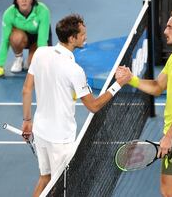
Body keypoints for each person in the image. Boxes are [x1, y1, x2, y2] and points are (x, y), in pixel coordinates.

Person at [21, 14, 130, 197]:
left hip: (40, 131)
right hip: (60, 140)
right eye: (82, 34)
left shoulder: (40, 53)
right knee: (61, 189)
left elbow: (26, 90)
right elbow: (93, 106)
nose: (85, 37)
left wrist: (27, 120)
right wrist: (118, 84)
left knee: (45, 179)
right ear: (72, 38)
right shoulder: (74, 70)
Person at [117, 9, 172, 197]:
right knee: (167, 189)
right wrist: (130, 79)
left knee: (169, 190)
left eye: (170, 27)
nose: (165, 31)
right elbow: (157, 87)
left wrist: (169, 136)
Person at [0, 0, 52, 77]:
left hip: (38, 39)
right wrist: (0, 65)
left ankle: (30, 60)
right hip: (22, 37)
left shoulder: (43, 10)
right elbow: (5, 40)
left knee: (34, 67)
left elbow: (42, 41)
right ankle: (19, 58)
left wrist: (42, 61)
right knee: (16, 37)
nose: (24, 0)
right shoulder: (9, 13)